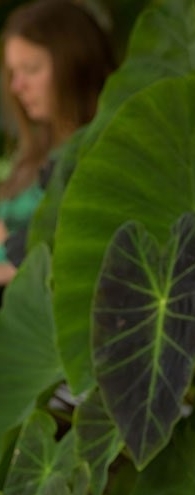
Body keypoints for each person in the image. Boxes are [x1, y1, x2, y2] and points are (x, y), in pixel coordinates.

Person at [0, 0, 116, 294]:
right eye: (13, 72)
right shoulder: (35, 152)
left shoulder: (102, 154)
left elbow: (74, 267)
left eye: (31, 69)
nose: (17, 86)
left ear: (75, 64)